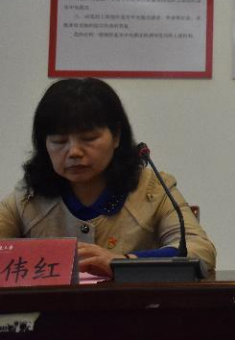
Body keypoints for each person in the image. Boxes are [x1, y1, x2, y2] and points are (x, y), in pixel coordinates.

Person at [0, 78, 216, 277]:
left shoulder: (152, 189)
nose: (74, 152)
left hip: (133, 306)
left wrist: (123, 262)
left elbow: (200, 250)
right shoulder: (27, 197)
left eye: (89, 138)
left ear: (117, 136)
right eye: (59, 141)